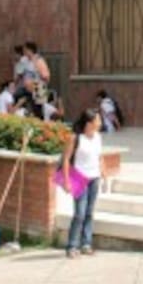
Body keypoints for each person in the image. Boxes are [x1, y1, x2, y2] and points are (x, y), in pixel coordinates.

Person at [61, 107, 104, 258]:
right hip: (79, 178)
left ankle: (86, 244)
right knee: (79, 213)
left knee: (89, 213)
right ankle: (72, 246)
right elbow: (66, 159)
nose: (100, 122)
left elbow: (100, 156)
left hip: (94, 178)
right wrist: (67, 181)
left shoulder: (98, 137)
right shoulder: (76, 138)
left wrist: (103, 172)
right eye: (98, 120)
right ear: (89, 123)